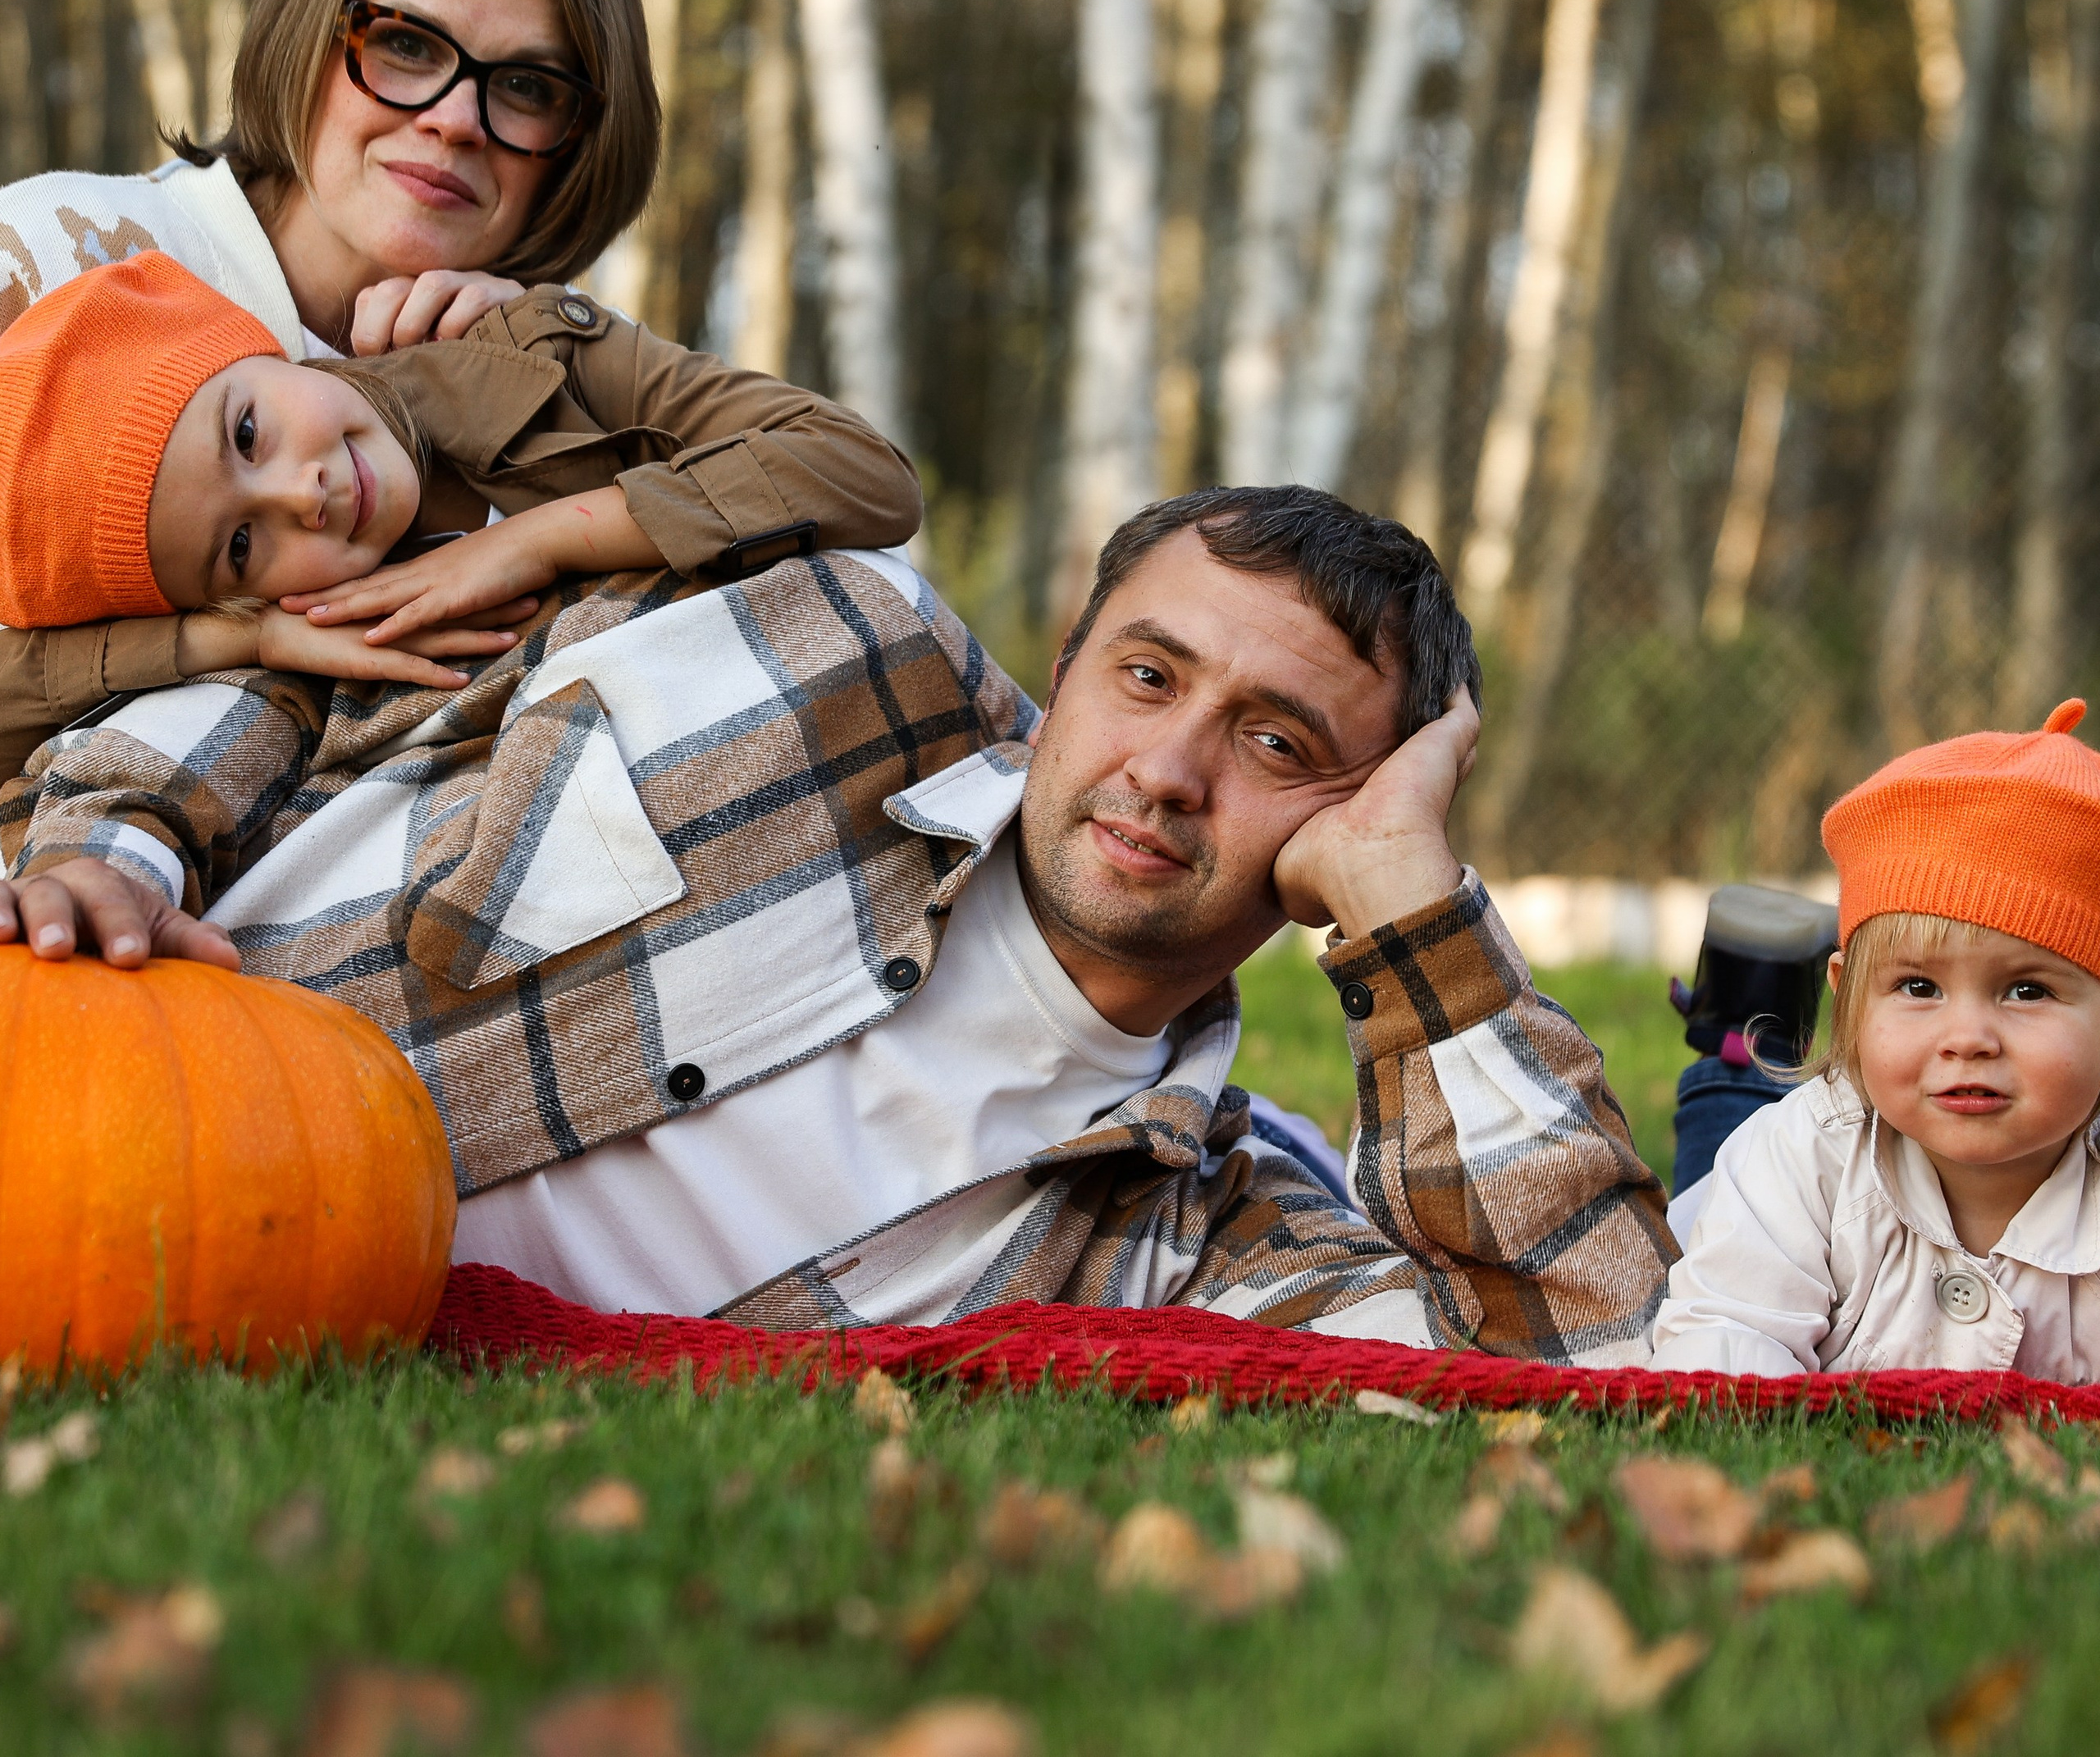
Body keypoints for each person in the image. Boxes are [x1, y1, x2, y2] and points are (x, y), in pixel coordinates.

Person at [0, 486, 1674, 1360]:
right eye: (1147, 674)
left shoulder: (1185, 1233)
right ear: (1064, 668)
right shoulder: (817, 637)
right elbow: (324, 654)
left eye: (1275, 742)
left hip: (212, 1316)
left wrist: (1416, 924)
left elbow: (1595, 1343)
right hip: (71, 1016)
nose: (1164, 768)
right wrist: (122, 841)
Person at [0, 0, 678, 750]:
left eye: (525, 85)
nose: (452, 122)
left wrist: (527, 392)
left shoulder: (571, 360)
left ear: (581, 142)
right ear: (309, 33)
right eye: (404, 44)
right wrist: (226, 637)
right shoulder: (46, 258)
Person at [0, 253, 920, 774]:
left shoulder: (531, 351)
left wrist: (541, 538)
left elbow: (867, 475)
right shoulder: (297, 625)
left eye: (248, 431)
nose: (299, 495)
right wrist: (239, 639)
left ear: (257, 343)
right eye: (242, 545)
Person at [1650, 701, 2100, 1380]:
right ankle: (1738, 1041)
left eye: (2027, 990)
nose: (1970, 1039)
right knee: (1730, 1127)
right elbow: (1725, 1333)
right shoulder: (1800, 1157)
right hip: (1759, 1158)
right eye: (1919, 987)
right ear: (1850, 994)